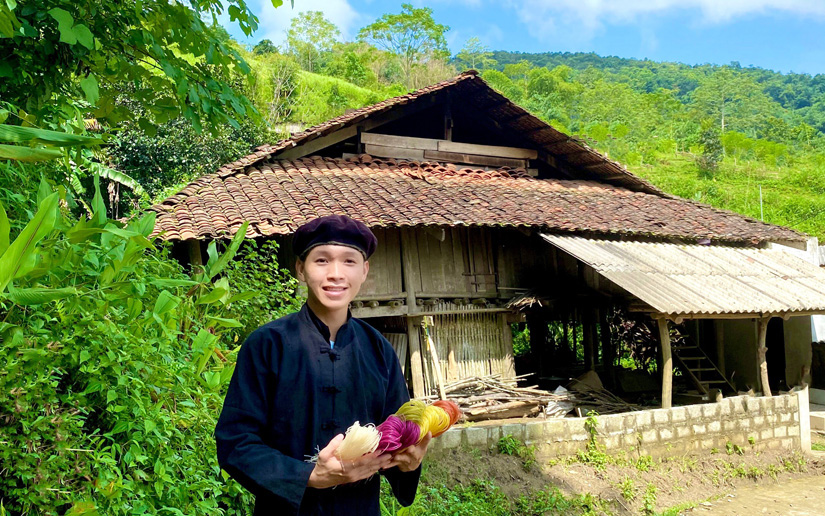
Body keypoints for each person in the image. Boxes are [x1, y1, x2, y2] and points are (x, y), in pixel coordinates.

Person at [215, 215, 430, 515]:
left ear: (365, 270)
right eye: (321, 260)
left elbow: (395, 435)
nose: (335, 274)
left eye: (349, 261)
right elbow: (236, 442)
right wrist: (311, 476)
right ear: (301, 269)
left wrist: (410, 461)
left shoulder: (379, 350)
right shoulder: (267, 345)